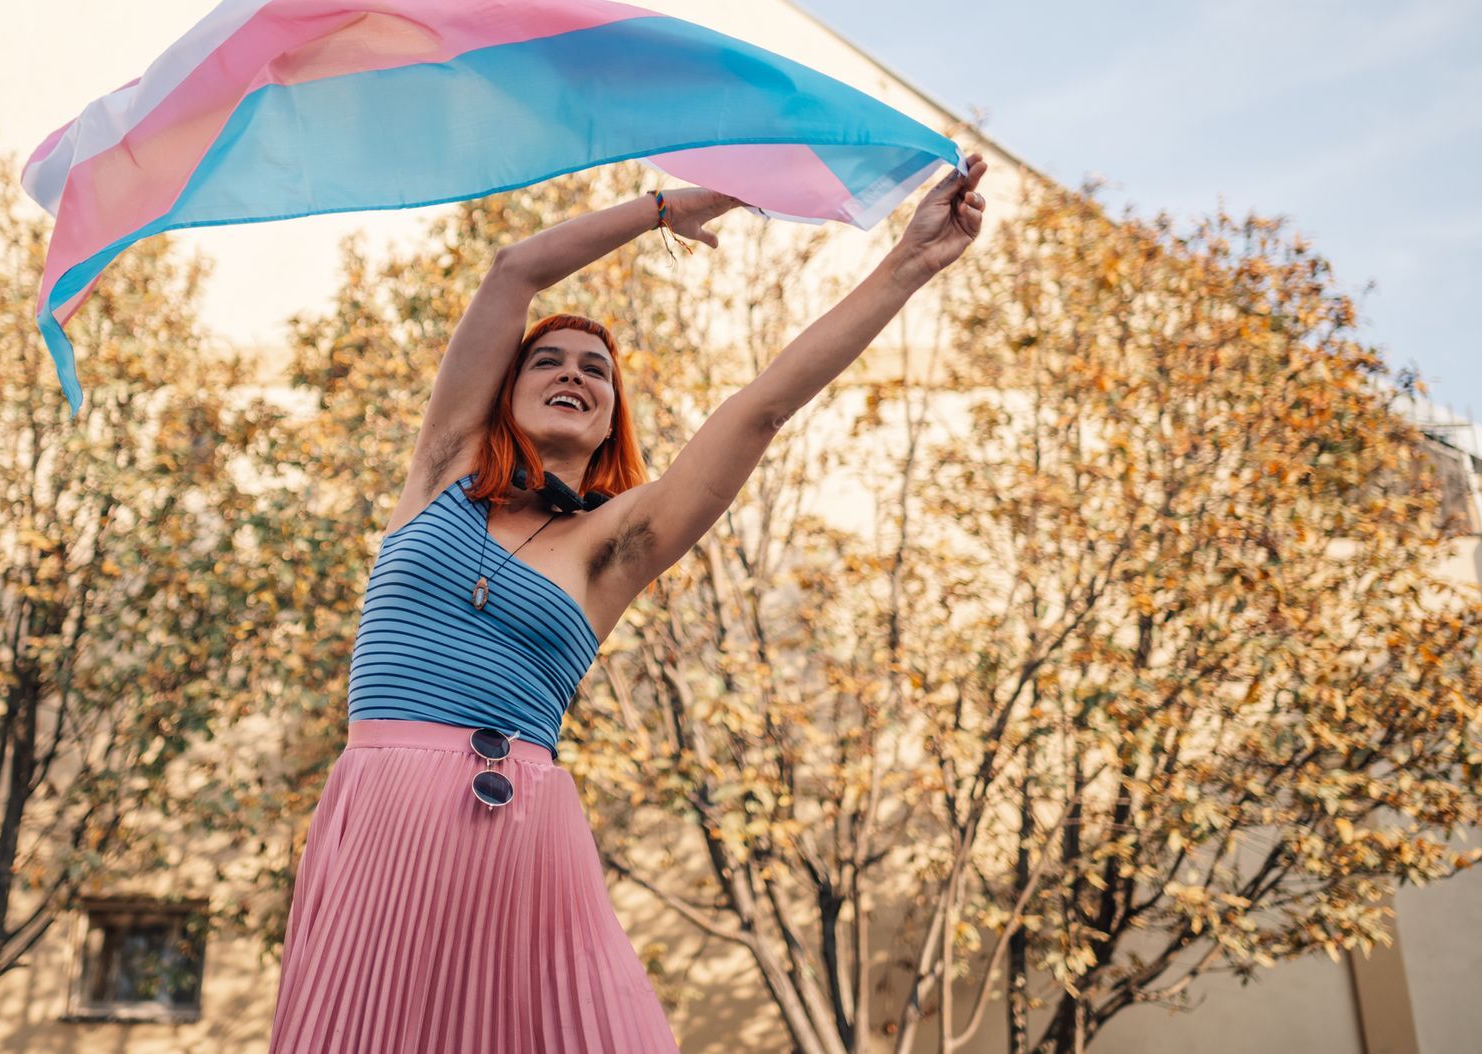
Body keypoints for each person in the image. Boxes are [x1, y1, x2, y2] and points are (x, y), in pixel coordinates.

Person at [268, 154, 989, 1052]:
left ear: (613, 419)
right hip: (379, 815)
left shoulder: (616, 545)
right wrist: (665, 209)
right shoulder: (443, 468)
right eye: (548, 361)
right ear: (505, 389)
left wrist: (909, 264)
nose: (573, 374)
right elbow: (514, 272)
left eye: (596, 373)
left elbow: (762, 410)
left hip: (514, 831)